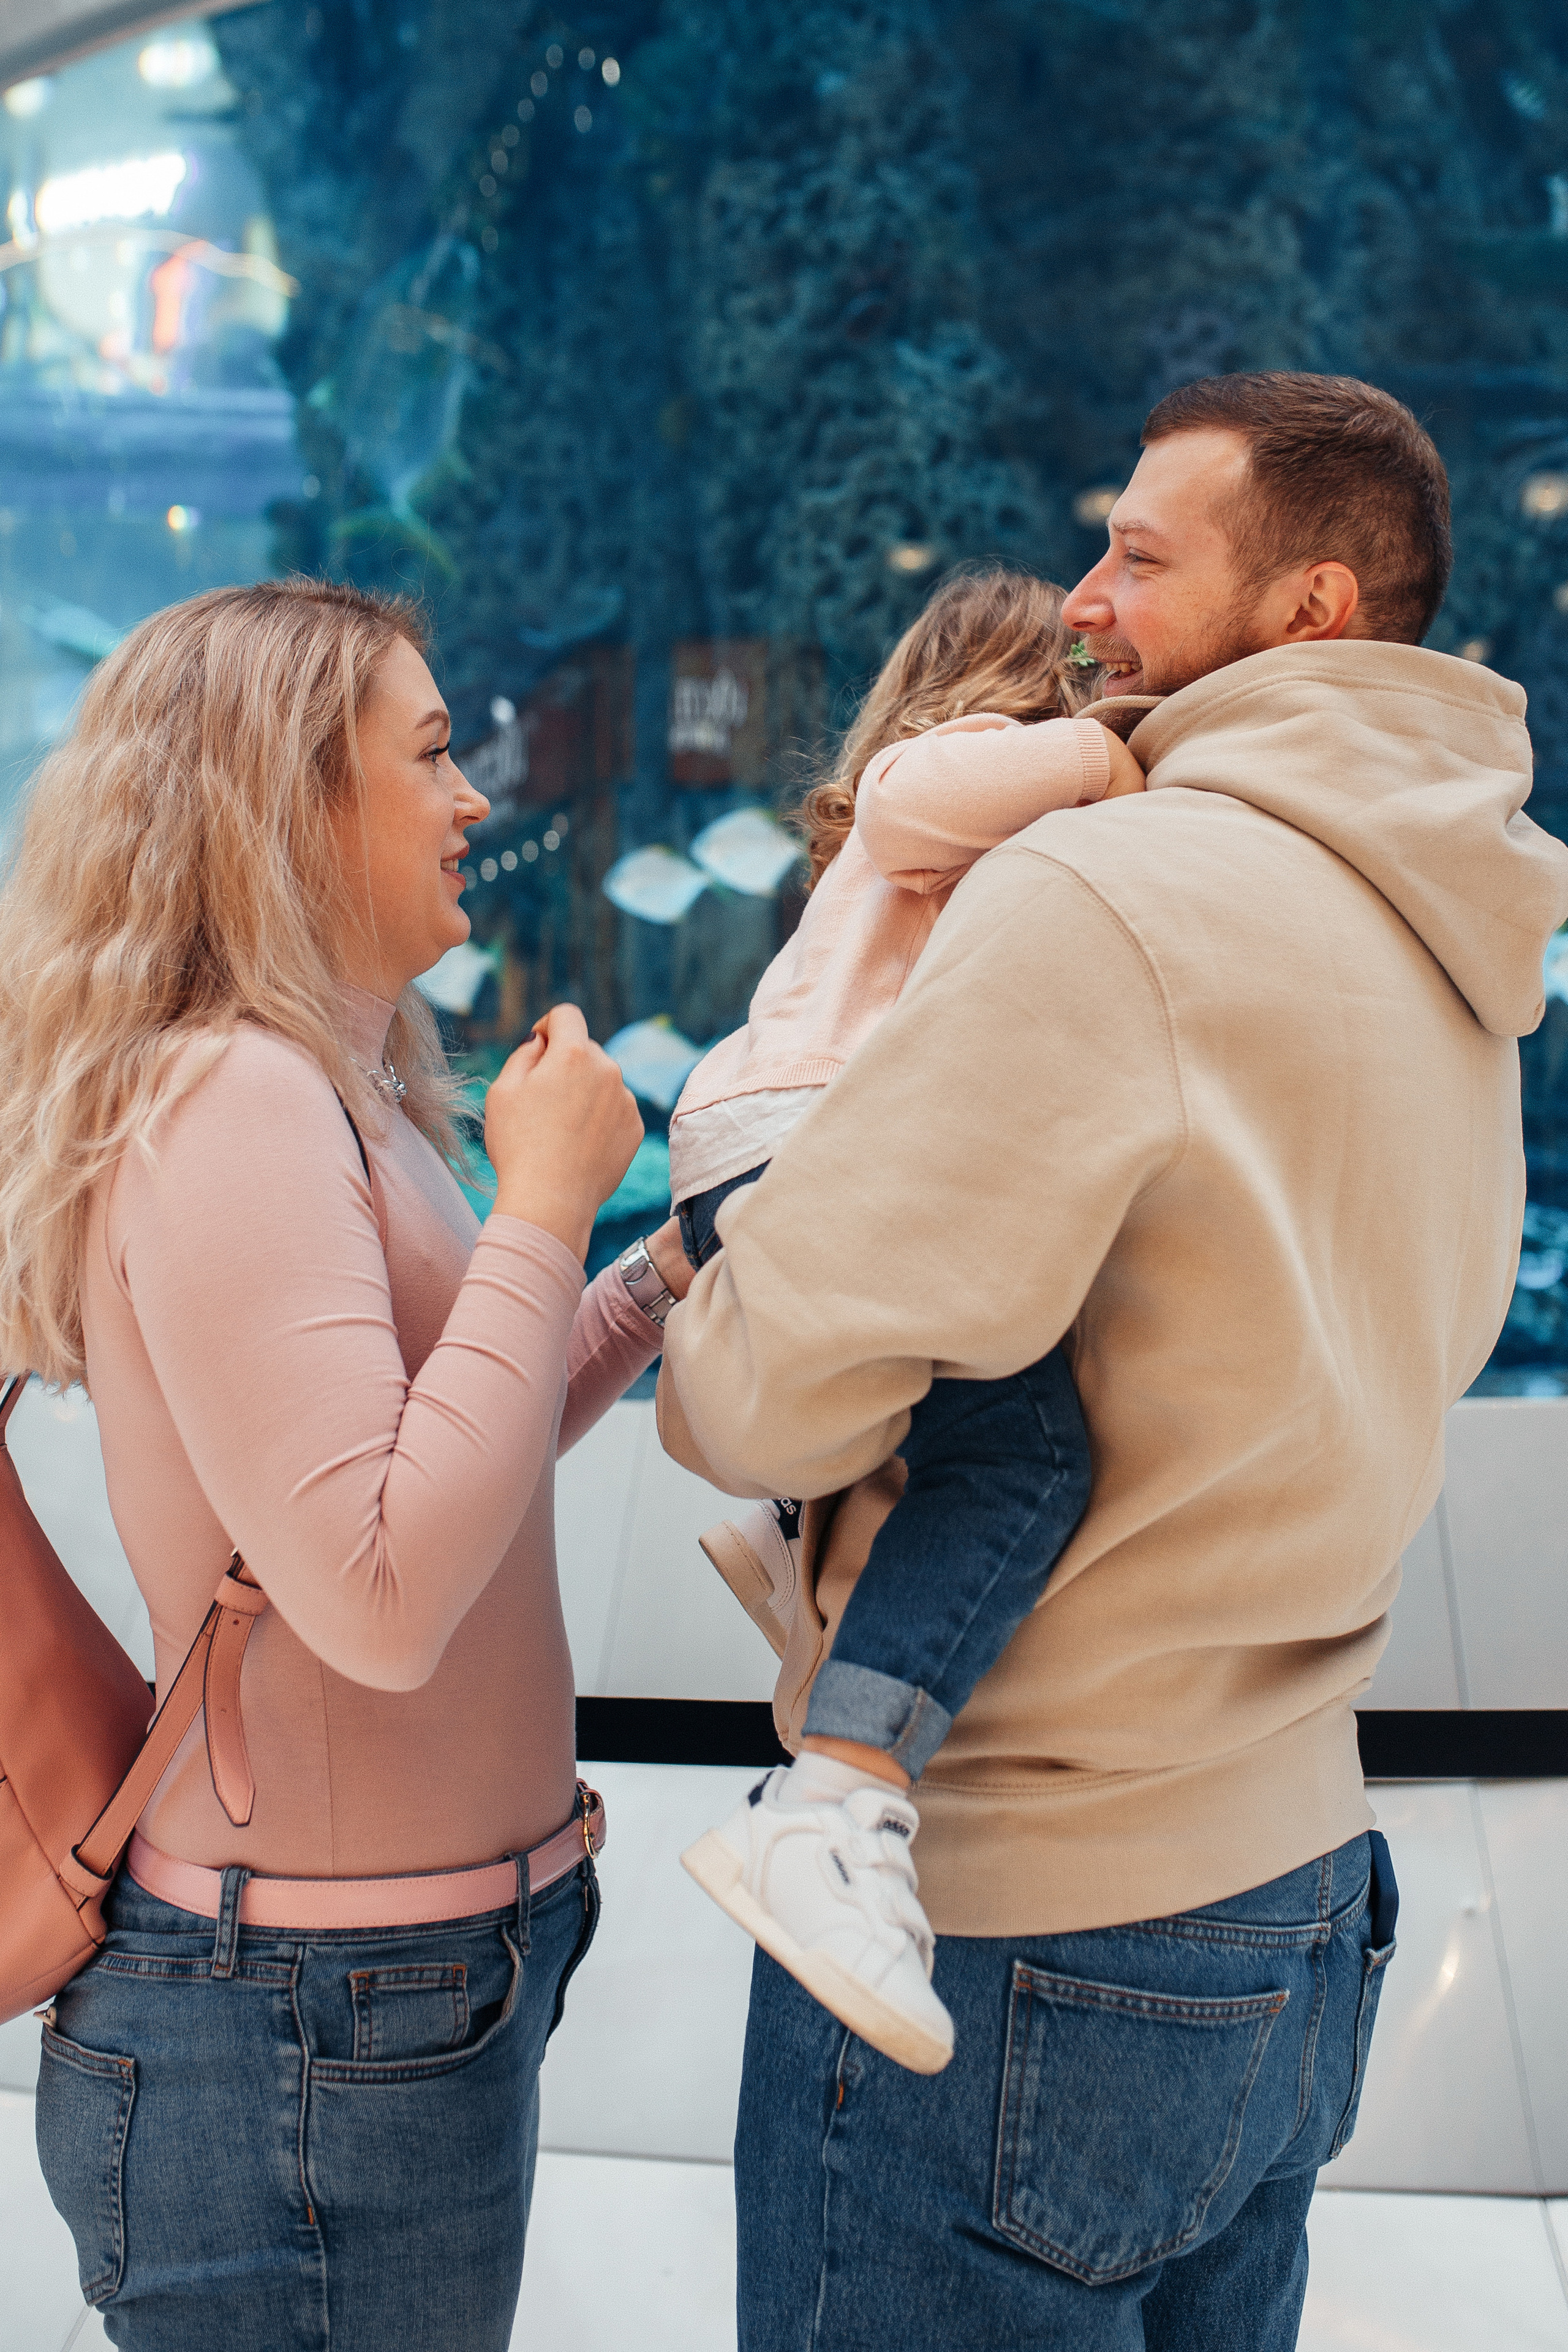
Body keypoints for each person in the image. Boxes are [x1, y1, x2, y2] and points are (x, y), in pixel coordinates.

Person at [654, 373, 1568, 2348]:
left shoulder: (1099, 889)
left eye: (1142, 557)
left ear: (1314, 605)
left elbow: (764, 1394)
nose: (1085, 599)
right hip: (1302, 1895)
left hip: (1012, 1925)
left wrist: (706, 1327)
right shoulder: (1466, 935)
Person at [0, 578, 692, 2350]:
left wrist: (651, 1274)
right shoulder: (230, 1100)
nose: (480, 799)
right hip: (304, 2016)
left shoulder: (344, 1084)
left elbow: (454, 1452)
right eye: (436, 753)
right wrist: (540, 1200)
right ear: (292, 800)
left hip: (390, 1991)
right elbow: (380, 1596)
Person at [668, 569, 1145, 2073]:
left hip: (749, 1149)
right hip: (817, 1145)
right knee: (1023, 1460)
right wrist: (1110, 752)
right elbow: (908, 789)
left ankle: (793, 1541)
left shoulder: (891, 864)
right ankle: (835, 1804)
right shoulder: (940, 797)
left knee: (916, 1424)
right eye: (1067, 674)